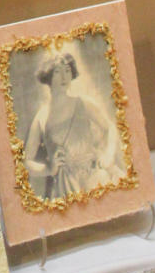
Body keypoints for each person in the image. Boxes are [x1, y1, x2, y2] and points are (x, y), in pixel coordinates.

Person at [23, 50, 121, 200]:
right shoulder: (41, 117)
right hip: (66, 185)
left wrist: (108, 154)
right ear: (48, 76)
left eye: (67, 71)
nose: (64, 77)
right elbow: (27, 162)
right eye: (57, 72)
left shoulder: (83, 103)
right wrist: (49, 169)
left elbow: (110, 128)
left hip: (94, 175)